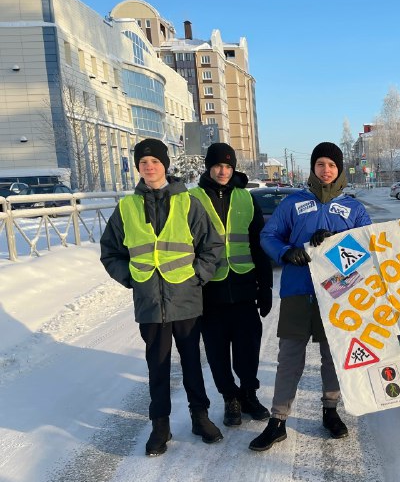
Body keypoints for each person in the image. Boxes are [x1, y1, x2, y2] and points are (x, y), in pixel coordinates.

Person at [100, 138, 224, 455]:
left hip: (185, 299)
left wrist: (199, 276)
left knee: (192, 363)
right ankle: (160, 426)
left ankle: (200, 417)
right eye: (143, 163)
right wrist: (130, 279)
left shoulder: (188, 203)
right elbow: (110, 252)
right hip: (150, 303)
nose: (149, 167)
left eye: (154, 161)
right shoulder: (126, 207)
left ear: (164, 165)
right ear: (139, 168)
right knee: (157, 365)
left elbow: (211, 245)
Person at [249, 142, 371, 452]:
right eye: (320, 164)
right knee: (290, 356)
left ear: (339, 169)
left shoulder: (353, 208)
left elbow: (370, 248)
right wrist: (287, 251)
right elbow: (268, 235)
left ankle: (330, 411)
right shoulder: (293, 203)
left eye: (331, 164)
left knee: (333, 355)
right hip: (297, 291)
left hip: (338, 294)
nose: (326, 169)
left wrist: (333, 246)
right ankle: (278, 421)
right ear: (313, 168)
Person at [190, 143, 273, 427]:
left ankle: (249, 394)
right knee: (216, 351)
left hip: (243, 287)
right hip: (208, 291)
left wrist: (266, 288)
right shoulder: (192, 198)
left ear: (234, 168)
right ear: (208, 167)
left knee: (248, 347)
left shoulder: (246, 199)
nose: (223, 171)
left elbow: (258, 246)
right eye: (218, 165)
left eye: (228, 166)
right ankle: (230, 398)